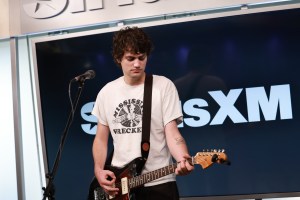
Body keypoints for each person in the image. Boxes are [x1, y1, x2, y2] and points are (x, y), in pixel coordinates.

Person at [92, 26, 194, 200]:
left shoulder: (163, 86)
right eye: (130, 59)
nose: (137, 64)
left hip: (159, 182)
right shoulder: (107, 92)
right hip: (119, 182)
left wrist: (182, 157)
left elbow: (172, 133)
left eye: (142, 58)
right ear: (118, 58)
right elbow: (101, 139)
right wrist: (99, 170)